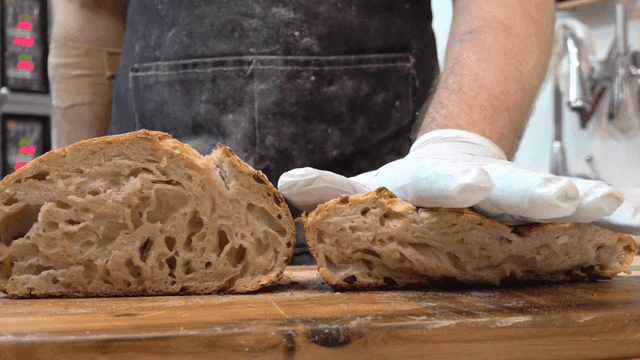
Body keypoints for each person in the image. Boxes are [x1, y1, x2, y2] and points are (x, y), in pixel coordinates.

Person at [51, 0, 636, 265]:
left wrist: (459, 143)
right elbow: (89, 20)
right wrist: (67, 195)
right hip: (150, 241)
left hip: (388, 227)